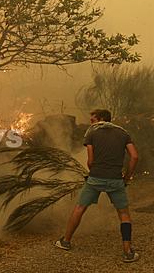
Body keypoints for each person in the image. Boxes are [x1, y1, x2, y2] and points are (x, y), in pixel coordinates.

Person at [54, 109, 140, 263]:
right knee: (124, 214)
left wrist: (93, 172)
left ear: (101, 119)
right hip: (116, 180)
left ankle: (65, 241)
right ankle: (127, 252)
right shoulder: (123, 133)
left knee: (80, 208)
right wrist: (126, 178)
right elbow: (134, 156)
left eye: (93, 120)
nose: (91, 122)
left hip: (95, 179)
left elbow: (90, 161)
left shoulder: (92, 133)